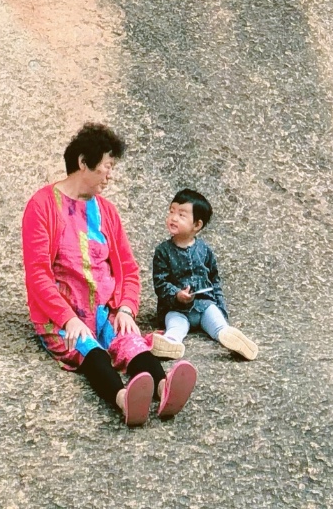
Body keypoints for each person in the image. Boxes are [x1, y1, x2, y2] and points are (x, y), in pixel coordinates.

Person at [21, 123, 199, 426]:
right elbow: (38, 274)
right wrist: (69, 318)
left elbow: (128, 269)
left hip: (105, 310)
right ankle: (123, 400)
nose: (110, 174)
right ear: (82, 163)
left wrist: (127, 308)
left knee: (131, 342)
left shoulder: (107, 211)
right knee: (88, 347)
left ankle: (162, 386)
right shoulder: (42, 206)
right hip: (61, 316)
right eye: (107, 166)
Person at [150, 187, 259, 359]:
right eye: (172, 211)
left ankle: (229, 337)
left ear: (197, 225)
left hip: (204, 305)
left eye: (181, 215)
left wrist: (220, 308)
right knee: (175, 325)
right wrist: (176, 295)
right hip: (176, 309)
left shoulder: (204, 250)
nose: (173, 218)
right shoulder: (163, 251)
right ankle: (171, 343)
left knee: (217, 322)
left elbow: (214, 280)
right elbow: (160, 282)